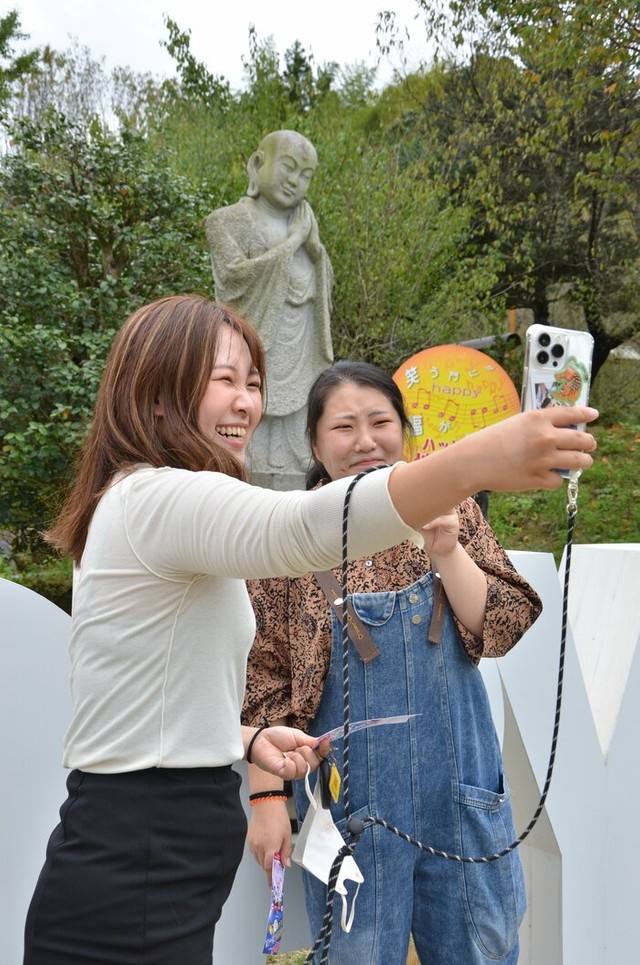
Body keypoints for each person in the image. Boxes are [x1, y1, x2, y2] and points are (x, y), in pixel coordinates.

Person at [23, 297, 596, 965]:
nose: (245, 402)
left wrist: (248, 738)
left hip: (164, 857)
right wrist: (477, 456)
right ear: (155, 394)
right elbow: (299, 532)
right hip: (142, 857)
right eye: (223, 379)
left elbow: (146, 699)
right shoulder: (162, 498)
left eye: (254, 382)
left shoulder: (162, 506)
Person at [243, 361, 588, 964]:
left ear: (404, 429)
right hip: (349, 814)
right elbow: (262, 679)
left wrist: (449, 551)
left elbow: (500, 628)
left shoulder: (450, 505)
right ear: (316, 445)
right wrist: (267, 801)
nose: (365, 441)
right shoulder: (289, 536)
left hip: (460, 800)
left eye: (380, 421)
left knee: (480, 949)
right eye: (344, 427)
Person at [205, 130, 333, 489]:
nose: (296, 181)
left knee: (300, 422)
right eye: (289, 167)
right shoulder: (225, 220)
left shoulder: (306, 225)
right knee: (248, 401)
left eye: (305, 175)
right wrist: (294, 243)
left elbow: (318, 283)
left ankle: (301, 465)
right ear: (257, 165)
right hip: (255, 342)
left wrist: (315, 251)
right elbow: (234, 277)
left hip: (301, 343)